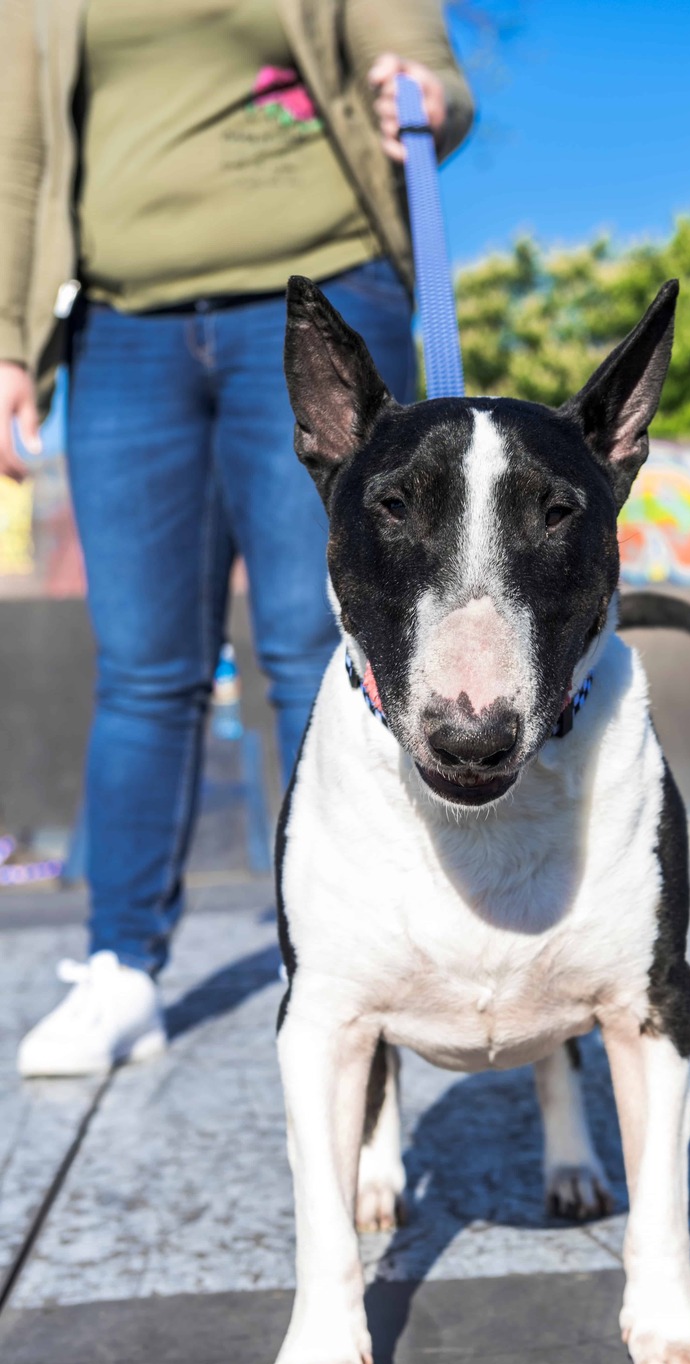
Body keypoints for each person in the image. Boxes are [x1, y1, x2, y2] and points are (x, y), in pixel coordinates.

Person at [1, 0, 473, 1077]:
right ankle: (121, 967)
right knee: (143, 665)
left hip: (316, 300)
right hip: (122, 330)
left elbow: (427, 70)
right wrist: (9, 346)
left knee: (320, 650)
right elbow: (16, 153)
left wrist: (426, 93)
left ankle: (355, 951)